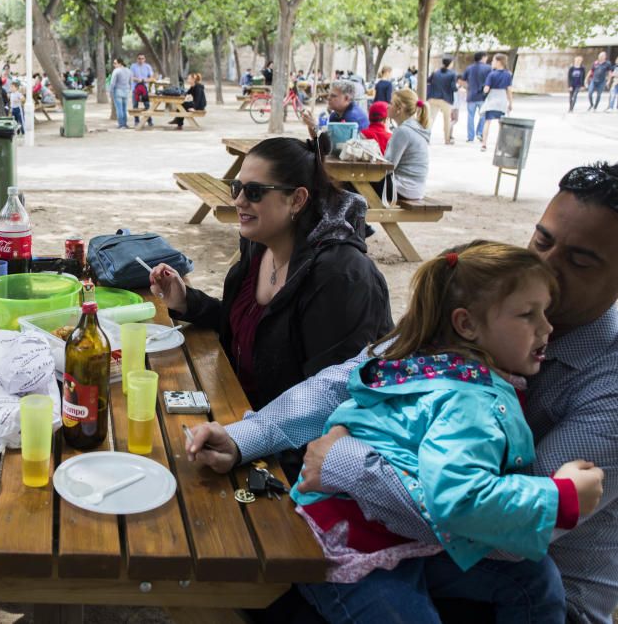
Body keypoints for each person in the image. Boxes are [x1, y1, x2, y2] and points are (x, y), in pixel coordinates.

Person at [184, 162, 618, 624]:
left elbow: (496, 530)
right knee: (258, 559)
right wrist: (245, 437)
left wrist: (343, 462)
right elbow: (355, 375)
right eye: (542, 241)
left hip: (512, 578)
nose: (546, 266)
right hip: (412, 538)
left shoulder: (604, 383)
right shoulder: (493, 303)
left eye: (580, 261)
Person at [293, 241, 597, 623]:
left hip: (398, 533)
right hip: (352, 543)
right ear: (466, 324)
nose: (547, 327)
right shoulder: (469, 401)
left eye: (545, 312)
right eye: (527, 315)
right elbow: (459, 500)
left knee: (535, 580)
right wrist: (562, 497)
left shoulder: (438, 363)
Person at [147, 134, 391, 421]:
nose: (238, 200)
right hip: (243, 413)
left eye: (254, 192)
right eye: (236, 188)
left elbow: (332, 402)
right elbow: (253, 330)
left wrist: (245, 442)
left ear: (297, 200)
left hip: (293, 446)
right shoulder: (260, 244)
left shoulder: (341, 276)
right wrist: (187, 301)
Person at [382, 88, 430, 200]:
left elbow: (388, 167)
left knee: (352, 186)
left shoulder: (403, 131)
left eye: (391, 103)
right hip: (415, 189)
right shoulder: (415, 127)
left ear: (399, 109)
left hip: (403, 188)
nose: (388, 107)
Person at [479, 53, 513, 152]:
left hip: (492, 99)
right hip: (502, 99)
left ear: (499, 62)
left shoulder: (491, 74)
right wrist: (510, 103)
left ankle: (484, 144)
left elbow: (486, 89)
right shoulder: (508, 74)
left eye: (493, 61)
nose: (492, 63)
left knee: (487, 121)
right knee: (501, 124)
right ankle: (501, 145)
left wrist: (484, 89)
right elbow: (509, 90)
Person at [426, 57, 457, 145]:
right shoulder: (452, 74)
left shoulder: (435, 72)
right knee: (446, 120)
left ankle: (426, 138)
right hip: (446, 99)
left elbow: (428, 81)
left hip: (433, 98)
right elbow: (453, 87)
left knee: (431, 119)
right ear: (450, 63)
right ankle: (447, 140)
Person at [462, 52, 491, 143]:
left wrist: (468, 88)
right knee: (483, 116)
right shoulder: (488, 68)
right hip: (483, 96)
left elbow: (463, 80)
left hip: (471, 96)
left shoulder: (469, 68)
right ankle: (479, 133)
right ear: (483, 57)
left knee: (470, 116)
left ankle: (470, 137)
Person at [130, 53, 154, 127]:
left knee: (147, 105)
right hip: (135, 89)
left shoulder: (148, 67)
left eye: (142, 58)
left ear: (145, 59)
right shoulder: (133, 66)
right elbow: (131, 77)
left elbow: (151, 78)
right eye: (139, 58)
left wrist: (144, 80)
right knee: (135, 105)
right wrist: (138, 79)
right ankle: (136, 121)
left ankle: (149, 121)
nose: (141, 60)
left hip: (145, 89)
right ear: (137, 59)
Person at [109, 57, 132, 130]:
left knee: (119, 109)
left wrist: (111, 92)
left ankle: (121, 125)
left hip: (118, 91)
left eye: (115, 63)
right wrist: (129, 90)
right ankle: (125, 124)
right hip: (126, 91)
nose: (114, 65)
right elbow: (130, 82)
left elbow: (112, 83)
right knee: (124, 109)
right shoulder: (129, 70)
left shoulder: (116, 71)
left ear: (120, 63)